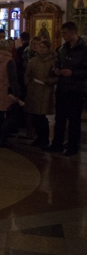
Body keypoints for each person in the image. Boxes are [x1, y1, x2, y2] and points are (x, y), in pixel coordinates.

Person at [45, 21, 87, 156]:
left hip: (76, 90)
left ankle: (73, 146)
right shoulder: (62, 49)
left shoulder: (84, 50)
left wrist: (73, 73)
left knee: (74, 120)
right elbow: (57, 63)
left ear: (73, 32)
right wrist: (56, 70)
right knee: (60, 118)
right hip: (62, 88)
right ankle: (57, 143)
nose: (62, 35)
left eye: (65, 33)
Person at [24, 39, 57, 148]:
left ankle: (44, 138)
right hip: (34, 90)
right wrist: (28, 83)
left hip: (45, 91)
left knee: (42, 116)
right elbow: (27, 74)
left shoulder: (53, 61)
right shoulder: (33, 60)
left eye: (44, 47)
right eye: (40, 47)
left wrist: (49, 81)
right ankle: (39, 137)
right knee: (35, 116)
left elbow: (57, 76)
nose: (41, 49)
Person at [0, 39, 22, 147]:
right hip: (6, 91)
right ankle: (2, 138)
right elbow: (13, 79)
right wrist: (17, 93)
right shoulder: (9, 61)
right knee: (8, 116)